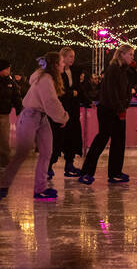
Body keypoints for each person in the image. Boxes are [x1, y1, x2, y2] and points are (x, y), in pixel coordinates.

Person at [0, 52, 69, 200]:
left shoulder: (49, 78)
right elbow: (51, 102)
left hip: (42, 118)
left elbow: (50, 103)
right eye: (62, 62)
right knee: (22, 152)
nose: (64, 64)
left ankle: (40, 189)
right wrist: (63, 117)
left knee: (46, 152)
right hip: (30, 116)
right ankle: (3, 185)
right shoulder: (45, 79)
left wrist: (60, 117)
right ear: (55, 65)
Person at [77, 45, 137, 185]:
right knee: (102, 139)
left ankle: (115, 172)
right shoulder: (113, 70)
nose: (132, 57)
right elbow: (111, 92)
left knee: (119, 141)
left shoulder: (124, 71)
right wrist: (119, 107)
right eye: (130, 54)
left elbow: (127, 89)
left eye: (133, 55)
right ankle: (87, 172)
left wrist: (124, 105)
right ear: (122, 54)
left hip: (119, 109)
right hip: (108, 109)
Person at [49, 47, 88, 178]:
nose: (73, 59)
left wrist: (87, 101)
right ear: (63, 57)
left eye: (73, 56)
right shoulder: (56, 73)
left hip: (73, 110)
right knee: (57, 138)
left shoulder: (74, 71)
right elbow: (58, 91)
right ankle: (48, 166)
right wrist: (72, 93)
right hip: (60, 109)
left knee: (72, 137)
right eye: (70, 56)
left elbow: (79, 88)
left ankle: (69, 165)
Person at [0, 59, 23, 170]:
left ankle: (4, 162)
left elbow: (16, 96)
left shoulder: (10, 82)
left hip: (4, 114)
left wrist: (20, 111)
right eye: (7, 68)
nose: (9, 70)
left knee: (4, 139)